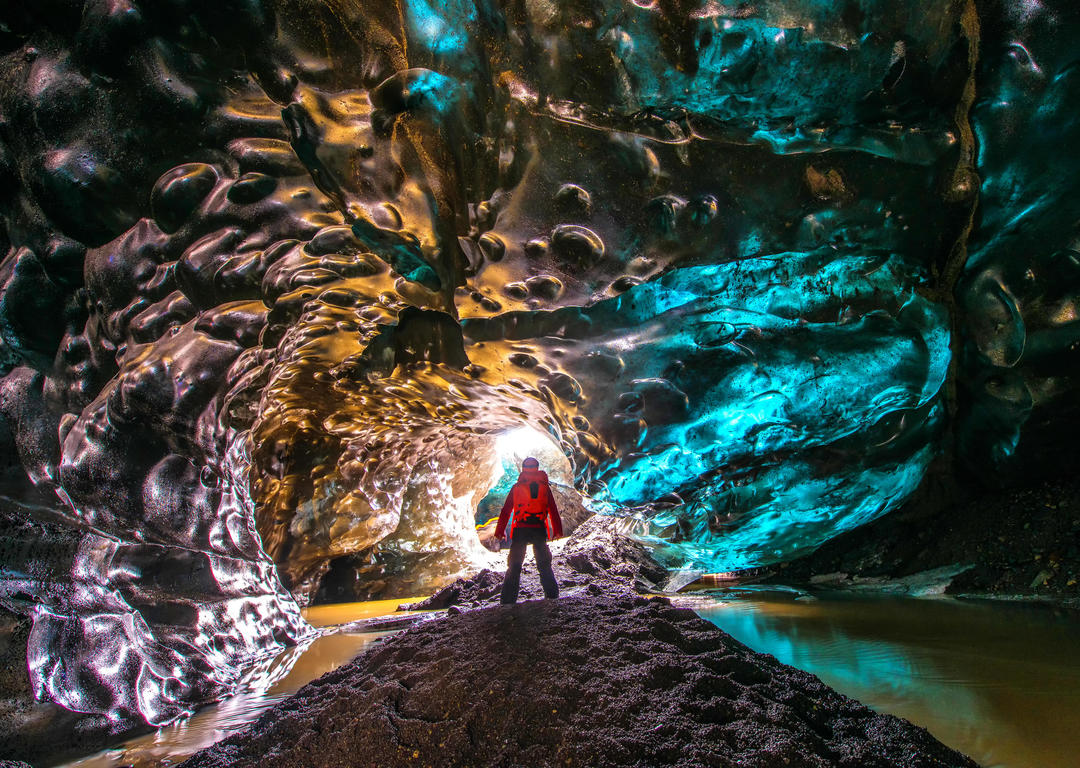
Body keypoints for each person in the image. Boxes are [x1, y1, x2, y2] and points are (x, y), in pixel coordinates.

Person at [494, 457, 563, 604]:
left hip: (521, 529)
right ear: (537, 468)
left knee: (514, 565)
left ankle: (508, 600)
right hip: (538, 528)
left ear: (523, 468)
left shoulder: (517, 487)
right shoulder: (544, 486)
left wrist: (500, 531)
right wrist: (557, 530)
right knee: (544, 563)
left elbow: (506, 510)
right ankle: (552, 595)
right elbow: (553, 509)